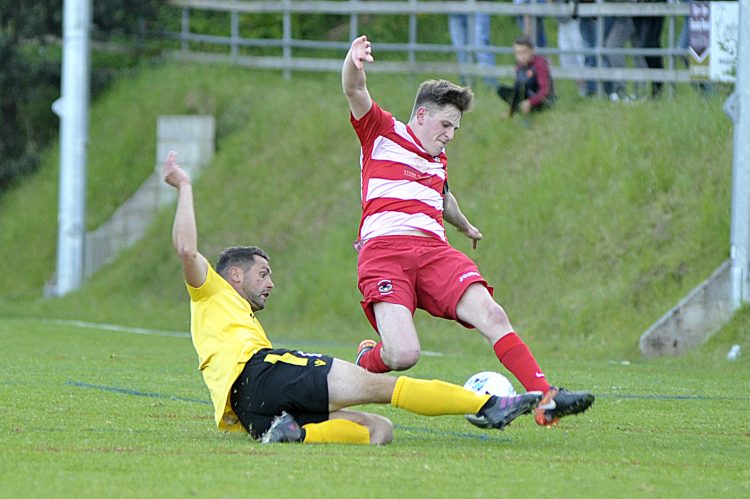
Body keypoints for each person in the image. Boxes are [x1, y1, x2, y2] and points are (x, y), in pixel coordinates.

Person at [161, 150, 543, 445]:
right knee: (383, 388)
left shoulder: (235, 318)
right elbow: (186, 249)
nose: (270, 283)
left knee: (380, 431)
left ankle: (294, 434)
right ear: (234, 274)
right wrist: (186, 187)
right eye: (263, 274)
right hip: (263, 373)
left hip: (251, 413)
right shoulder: (211, 291)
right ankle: (489, 405)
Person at [342, 35, 594, 427]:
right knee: (404, 355)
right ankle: (367, 359)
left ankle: (546, 397)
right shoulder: (381, 132)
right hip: (384, 253)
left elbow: (444, 200)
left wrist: (466, 225)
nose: (450, 135)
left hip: (434, 252)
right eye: (446, 124)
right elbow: (354, 89)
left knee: (491, 313)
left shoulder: (438, 160)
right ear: (422, 115)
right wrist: (354, 61)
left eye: (456, 128)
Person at [496, 36, 555, 116]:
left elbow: (545, 90)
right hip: (527, 95)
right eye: (518, 53)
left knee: (524, 86)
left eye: (524, 52)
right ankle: (516, 110)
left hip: (542, 100)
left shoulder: (540, 64)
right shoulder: (519, 65)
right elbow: (517, 88)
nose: (521, 56)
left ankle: (527, 108)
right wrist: (510, 112)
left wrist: (530, 102)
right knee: (502, 90)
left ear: (532, 51)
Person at [448, 11, 497, 88]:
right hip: (455, 8)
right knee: (460, 48)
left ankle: (491, 86)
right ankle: (465, 86)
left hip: (477, 6)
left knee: (481, 46)